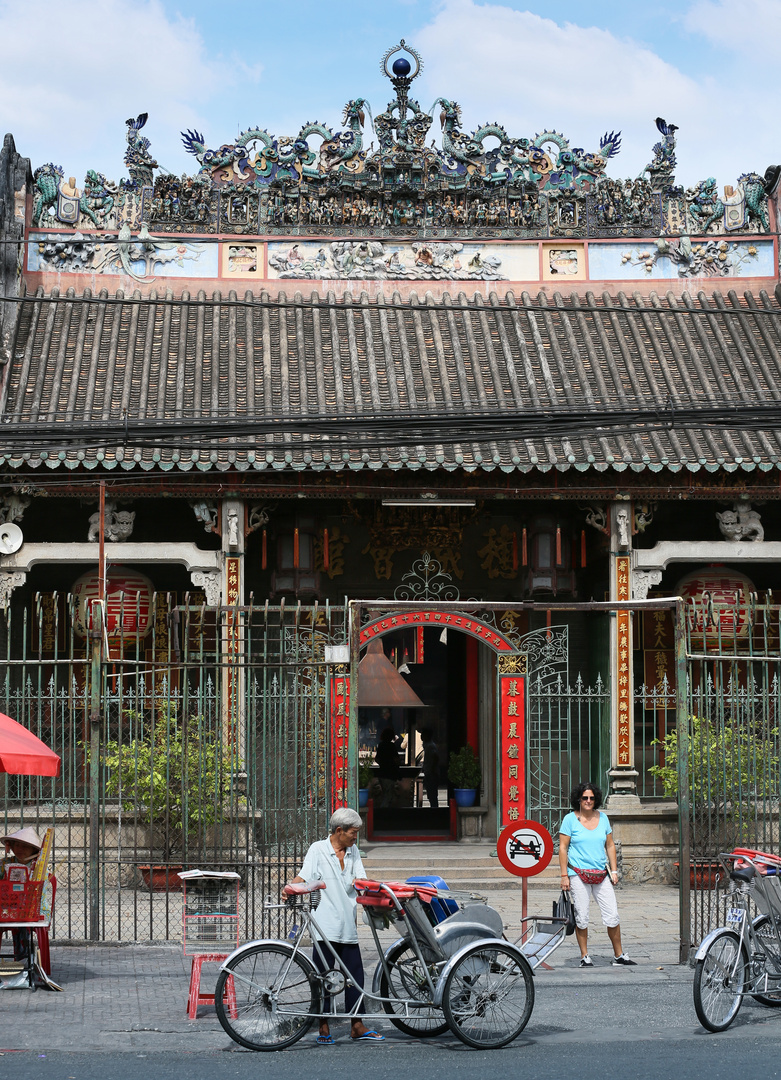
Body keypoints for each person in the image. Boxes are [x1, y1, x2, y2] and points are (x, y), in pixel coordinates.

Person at [283, 808, 384, 1043]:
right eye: (353, 833)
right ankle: (323, 1025)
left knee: (354, 977)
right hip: (324, 925)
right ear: (339, 830)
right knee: (322, 977)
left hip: (347, 922)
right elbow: (304, 876)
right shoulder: (318, 849)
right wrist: (289, 888)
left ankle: (357, 1024)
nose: (355, 838)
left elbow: (360, 879)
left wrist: (374, 888)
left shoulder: (353, 851)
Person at [558, 782, 636, 967]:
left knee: (612, 915)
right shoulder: (570, 819)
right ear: (578, 799)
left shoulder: (603, 818)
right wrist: (564, 876)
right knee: (582, 917)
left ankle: (619, 955)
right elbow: (562, 847)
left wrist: (614, 871)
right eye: (585, 797)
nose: (588, 801)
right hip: (577, 873)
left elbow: (610, 845)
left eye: (592, 798)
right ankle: (585, 956)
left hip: (601, 874)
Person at [0, 827, 46, 961]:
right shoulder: (4, 864)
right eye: (17, 845)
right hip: (7, 907)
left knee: (23, 925)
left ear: (33, 849)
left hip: (31, 909)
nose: (20, 849)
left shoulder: (39, 867)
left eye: (25, 846)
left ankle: (23, 959)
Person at [374, 726, 402, 808]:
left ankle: (384, 811)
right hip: (391, 774)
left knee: (385, 794)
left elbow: (377, 759)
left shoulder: (381, 745)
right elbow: (396, 759)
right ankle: (383, 812)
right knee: (388, 796)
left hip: (382, 773)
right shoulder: (391, 746)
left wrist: (383, 764)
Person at [419, 727, 440, 808]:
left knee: (432, 795)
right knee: (431, 795)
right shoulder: (428, 746)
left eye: (423, 735)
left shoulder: (430, 746)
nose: (421, 737)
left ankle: (434, 811)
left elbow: (435, 757)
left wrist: (431, 770)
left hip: (432, 774)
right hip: (430, 773)